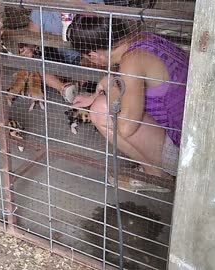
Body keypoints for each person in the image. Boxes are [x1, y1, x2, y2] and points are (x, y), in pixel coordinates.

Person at [67, 15, 188, 178]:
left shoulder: (132, 60)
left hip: (186, 157)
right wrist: (98, 92)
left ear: (93, 55)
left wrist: (110, 86)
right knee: (103, 97)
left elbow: (126, 128)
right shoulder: (143, 38)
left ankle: (156, 175)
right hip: (193, 135)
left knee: (100, 110)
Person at [19, 0, 105, 103]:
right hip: (52, 53)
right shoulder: (42, 6)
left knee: (94, 77)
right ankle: (63, 88)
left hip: (82, 53)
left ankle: (80, 82)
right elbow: (32, 36)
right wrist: (29, 49)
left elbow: (102, 33)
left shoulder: (93, 2)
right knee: (37, 60)